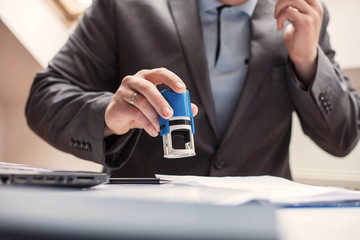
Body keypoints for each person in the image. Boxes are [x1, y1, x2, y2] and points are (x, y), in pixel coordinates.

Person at [26, 0, 360, 179]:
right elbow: (44, 97)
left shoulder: (306, 15)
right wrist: (106, 116)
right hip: (140, 226)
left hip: (259, 226)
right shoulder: (121, 5)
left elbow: (343, 138)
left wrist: (309, 61)